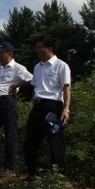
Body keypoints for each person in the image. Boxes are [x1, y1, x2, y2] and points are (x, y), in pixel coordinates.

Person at [0, 41, 33, 177]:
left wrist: (16, 85)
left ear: (9, 54)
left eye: (0, 53)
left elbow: (31, 79)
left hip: (8, 102)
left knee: (10, 134)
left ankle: (9, 166)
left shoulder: (18, 68)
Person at [24, 36, 71, 179]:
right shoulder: (37, 67)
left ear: (49, 49)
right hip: (38, 106)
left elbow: (66, 88)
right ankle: (33, 173)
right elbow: (35, 87)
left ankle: (58, 177)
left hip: (53, 106)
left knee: (55, 140)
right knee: (31, 140)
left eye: (40, 47)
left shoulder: (61, 65)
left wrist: (66, 109)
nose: (37, 50)